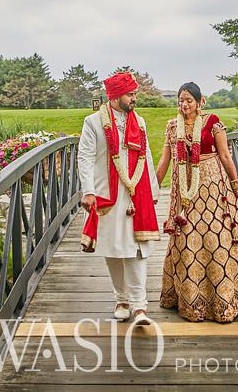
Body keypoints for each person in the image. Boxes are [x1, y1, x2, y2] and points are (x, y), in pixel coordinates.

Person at [156, 82, 238, 322]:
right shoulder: (172, 126)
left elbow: (226, 155)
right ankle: (190, 298)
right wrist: (151, 188)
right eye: (181, 100)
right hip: (184, 192)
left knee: (215, 237)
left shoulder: (213, 123)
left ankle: (225, 297)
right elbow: (164, 161)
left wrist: (236, 186)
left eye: (189, 100)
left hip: (212, 187)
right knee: (187, 238)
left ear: (200, 102)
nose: (184, 104)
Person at [78, 71, 161, 325]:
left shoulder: (141, 123)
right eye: (130, 94)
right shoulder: (93, 122)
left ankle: (139, 306)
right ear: (115, 97)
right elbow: (86, 157)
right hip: (107, 196)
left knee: (137, 249)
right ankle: (121, 299)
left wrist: (154, 191)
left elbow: (146, 157)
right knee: (113, 248)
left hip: (137, 194)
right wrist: (88, 190)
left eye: (135, 93)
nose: (134, 98)